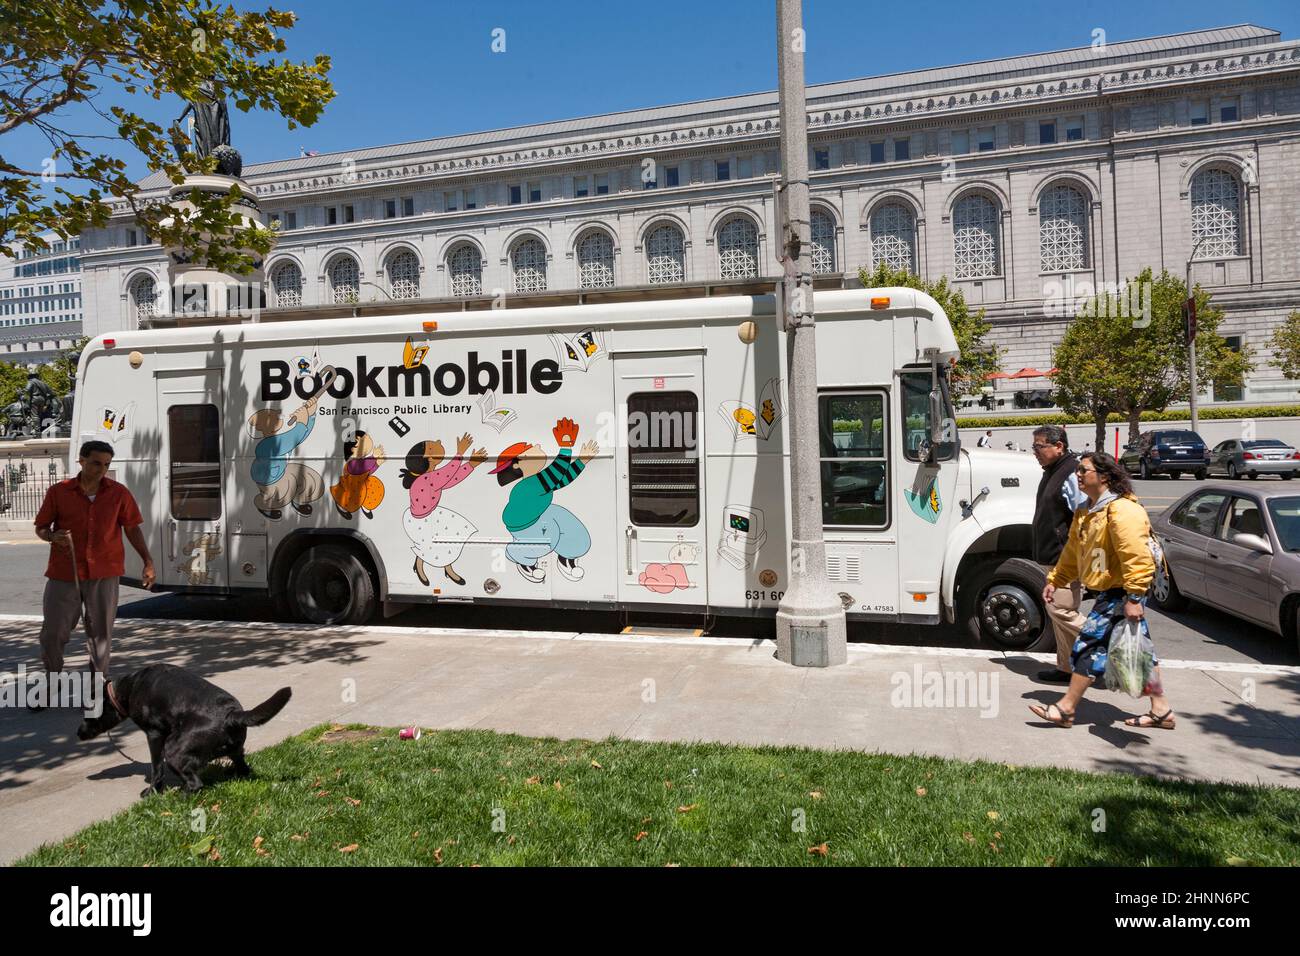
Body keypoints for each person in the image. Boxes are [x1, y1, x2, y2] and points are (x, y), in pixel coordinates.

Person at [1029, 451, 1176, 730]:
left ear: (1105, 476)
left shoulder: (1122, 510)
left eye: (1084, 471)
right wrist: (1057, 580)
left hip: (1121, 592)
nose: (1078, 475)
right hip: (1111, 590)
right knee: (1139, 652)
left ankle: (1066, 708)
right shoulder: (1087, 510)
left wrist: (1134, 597)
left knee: (1088, 645)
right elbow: (1074, 552)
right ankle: (1161, 709)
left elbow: (1137, 558)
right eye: (1078, 471)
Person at [31, 440, 155, 709]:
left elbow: (133, 529)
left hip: (104, 573)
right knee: (52, 633)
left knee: (100, 633)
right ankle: (52, 680)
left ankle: (97, 688)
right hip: (65, 574)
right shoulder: (59, 492)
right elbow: (41, 527)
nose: (102, 469)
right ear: (82, 461)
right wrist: (53, 536)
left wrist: (147, 561)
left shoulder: (119, 493)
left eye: (107, 465)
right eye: (97, 463)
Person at [493, 417, 598, 584]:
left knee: (570, 526)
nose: (539, 446)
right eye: (530, 449)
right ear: (517, 464)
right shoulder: (528, 486)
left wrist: (581, 461)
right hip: (525, 526)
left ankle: (567, 559)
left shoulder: (539, 481)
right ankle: (520, 557)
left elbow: (561, 480)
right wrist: (565, 447)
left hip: (540, 514)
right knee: (548, 540)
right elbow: (555, 474)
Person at [1029, 424, 1087, 684]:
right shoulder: (1052, 471)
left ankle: (1102, 640)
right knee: (1058, 616)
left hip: (1063, 559)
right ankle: (1066, 668)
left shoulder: (1070, 474)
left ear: (1059, 446)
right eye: (1034, 447)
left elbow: (1082, 517)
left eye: (1039, 446)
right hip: (1051, 557)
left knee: (1062, 610)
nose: (1035, 452)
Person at [400, 433, 488, 587]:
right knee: (428, 545)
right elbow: (447, 474)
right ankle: (419, 566)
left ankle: (448, 568)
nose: (439, 441)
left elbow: (451, 479)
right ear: (429, 458)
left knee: (447, 540)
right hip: (421, 521)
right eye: (433, 446)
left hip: (431, 515)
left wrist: (471, 464)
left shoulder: (431, 477)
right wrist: (459, 453)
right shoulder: (424, 479)